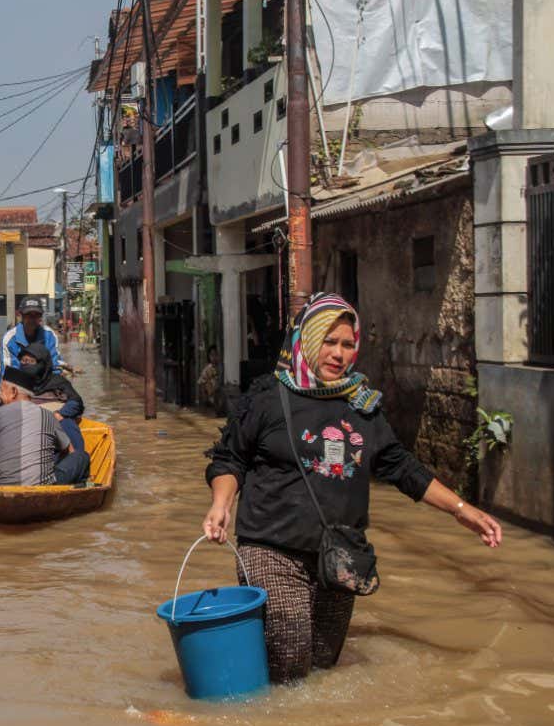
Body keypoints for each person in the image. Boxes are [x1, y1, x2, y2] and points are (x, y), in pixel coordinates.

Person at [202, 293, 502, 684]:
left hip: (340, 554)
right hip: (270, 548)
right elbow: (229, 458)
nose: (339, 354)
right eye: (328, 342)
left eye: (347, 344)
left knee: (324, 666)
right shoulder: (268, 398)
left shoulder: (362, 406)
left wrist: (463, 510)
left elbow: (402, 467)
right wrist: (221, 504)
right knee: (291, 659)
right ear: (308, 340)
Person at [0, 366, 90, 487]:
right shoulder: (48, 415)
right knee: (81, 455)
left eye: (2, 391)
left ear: (13, 392)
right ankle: (79, 488)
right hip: (44, 487)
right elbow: (69, 450)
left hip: (0, 487)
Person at [18, 341, 86, 453]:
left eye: (31, 361)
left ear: (42, 364)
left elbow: (76, 402)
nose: (26, 365)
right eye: (24, 361)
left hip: (57, 422)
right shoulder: (17, 384)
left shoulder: (57, 382)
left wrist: (60, 413)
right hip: (29, 430)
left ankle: (77, 457)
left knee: (66, 423)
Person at [0, 297, 64, 393]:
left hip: (44, 384)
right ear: (20, 316)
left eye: (36, 315)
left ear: (41, 316)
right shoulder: (9, 339)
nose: (32, 319)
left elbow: (55, 367)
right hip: (18, 384)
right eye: (28, 315)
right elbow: (8, 372)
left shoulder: (49, 335)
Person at [197, 345, 223, 414]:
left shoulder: (221, 367)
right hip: (211, 393)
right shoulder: (208, 368)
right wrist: (205, 397)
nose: (214, 357)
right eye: (212, 355)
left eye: (216, 354)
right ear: (209, 356)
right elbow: (201, 382)